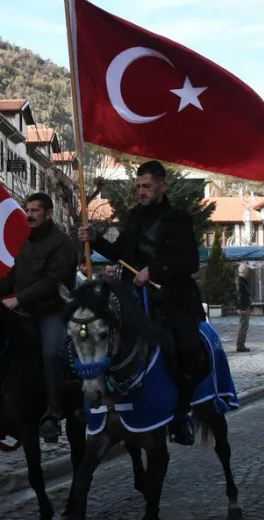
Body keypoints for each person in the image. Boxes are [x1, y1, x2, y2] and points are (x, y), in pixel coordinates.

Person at [78, 160, 204, 446]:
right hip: (131, 297)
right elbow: (120, 253)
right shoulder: (134, 217)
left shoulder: (179, 219)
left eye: (147, 186)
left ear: (163, 186)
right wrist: (95, 240)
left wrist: (155, 271)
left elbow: (190, 262)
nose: (141, 192)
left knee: (187, 346)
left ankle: (182, 413)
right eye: (138, 187)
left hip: (170, 297)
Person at [0, 192, 79, 443]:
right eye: (28, 209)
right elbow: (12, 279)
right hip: (26, 313)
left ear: (49, 214)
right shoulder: (27, 244)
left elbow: (52, 282)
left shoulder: (62, 244)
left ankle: (53, 413)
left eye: (35, 210)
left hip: (53, 312)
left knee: (50, 353)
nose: (29, 215)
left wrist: (19, 299)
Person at [234, 264, 253, 352]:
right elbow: (239, 295)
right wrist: (241, 308)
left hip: (245, 305)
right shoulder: (240, 281)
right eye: (247, 271)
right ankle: (240, 346)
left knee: (244, 325)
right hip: (244, 307)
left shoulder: (242, 280)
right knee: (243, 326)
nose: (248, 272)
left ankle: (241, 345)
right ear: (244, 271)